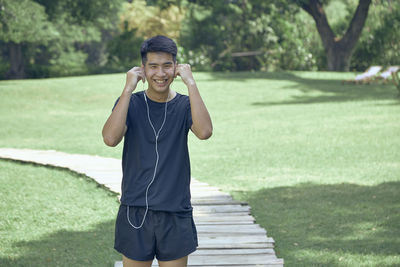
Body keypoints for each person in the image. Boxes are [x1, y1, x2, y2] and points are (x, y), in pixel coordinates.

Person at [102, 35, 212, 267]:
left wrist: (191, 83)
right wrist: (128, 88)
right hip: (135, 211)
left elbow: (204, 132)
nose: (160, 74)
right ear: (143, 69)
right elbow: (110, 138)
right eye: (153, 66)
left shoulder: (184, 105)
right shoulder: (130, 103)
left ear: (176, 68)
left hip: (175, 211)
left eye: (166, 66)